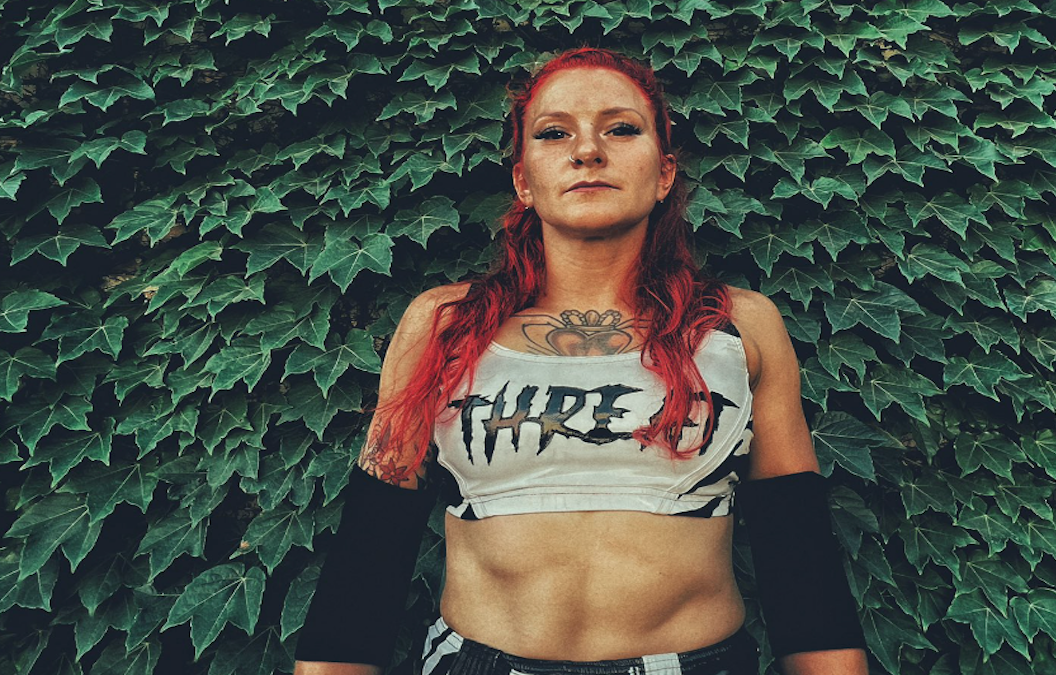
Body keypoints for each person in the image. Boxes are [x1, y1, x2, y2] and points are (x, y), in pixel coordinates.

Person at [293, 47, 869, 675]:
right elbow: (368, 563)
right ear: (523, 182)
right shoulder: (443, 324)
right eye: (554, 133)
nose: (588, 150)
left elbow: (800, 564)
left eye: (620, 129)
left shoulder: (739, 326)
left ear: (665, 173)